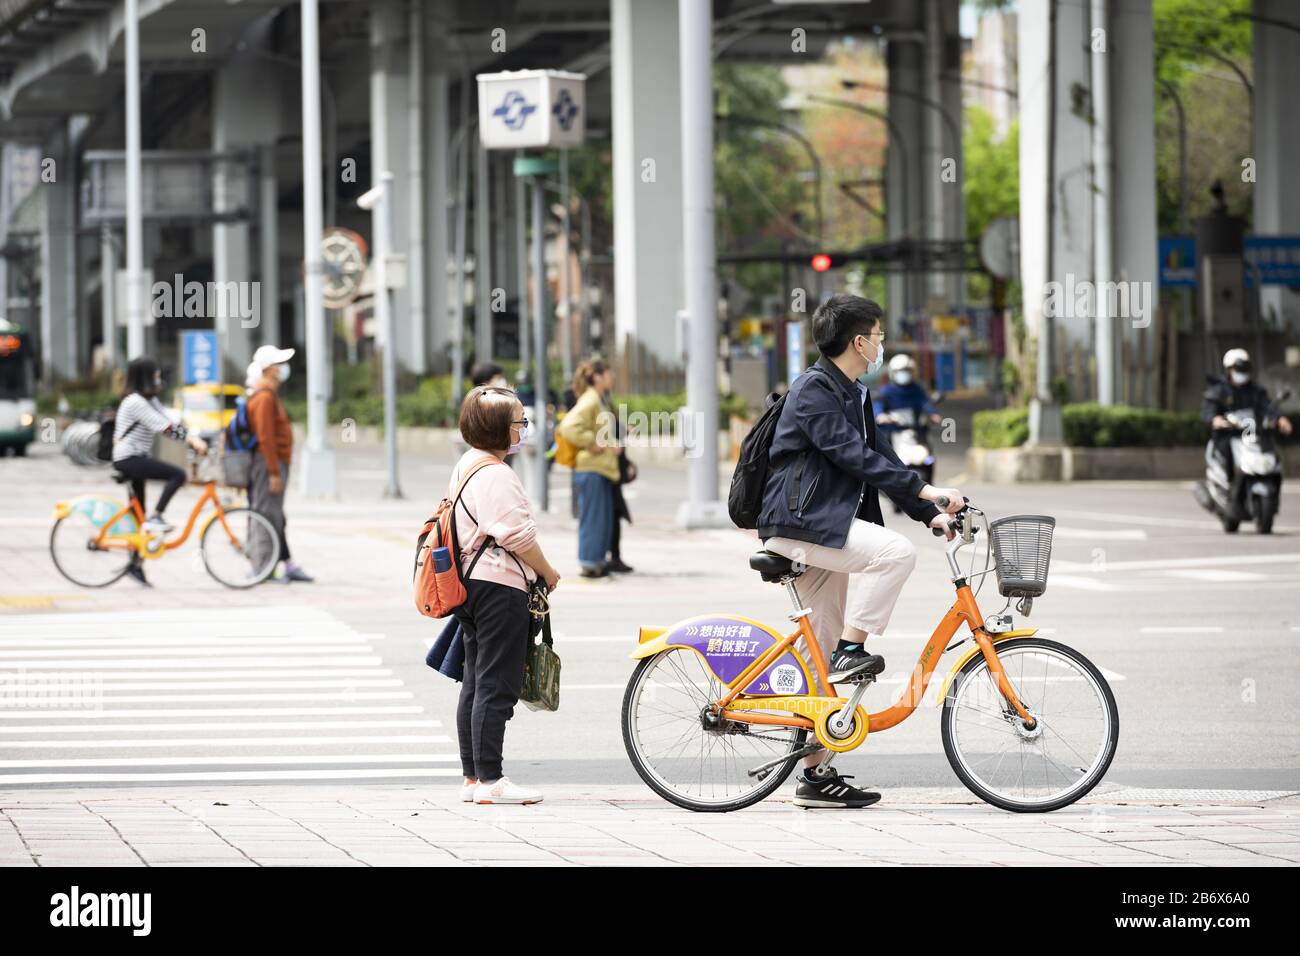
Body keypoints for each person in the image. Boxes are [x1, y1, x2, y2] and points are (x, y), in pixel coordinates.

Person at [758, 294, 964, 809]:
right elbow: (851, 457)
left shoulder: (855, 392)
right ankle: (853, 651)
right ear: (858, 342)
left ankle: (814, 774)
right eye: (878, 333)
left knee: (816, 658)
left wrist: (928, 512)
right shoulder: (813, 391)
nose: (882, 341)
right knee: (895, 554)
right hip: (799, 523)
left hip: (825, 527)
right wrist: (927, 491)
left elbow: (881, 458)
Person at [452, 385, 561, 805]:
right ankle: (491, 780)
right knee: (496, 684)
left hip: (472, 583)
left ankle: (473, 778)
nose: (525, 429)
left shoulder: (468, 464)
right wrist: (548, 572)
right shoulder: (496, 474)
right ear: (501, 428)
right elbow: (516, 536)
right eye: (520, 422)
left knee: (477, 681)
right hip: (498, 587)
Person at [112, 356, 208, 585]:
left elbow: (169, 418)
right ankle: (157, 516)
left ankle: (135, 565)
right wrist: (191, 440)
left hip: (137, 457)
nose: (158, 378)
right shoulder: (135, 402)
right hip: (128, 458)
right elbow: (163, 427)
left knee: (138, 516)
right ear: (145, 376)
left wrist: (195, 434)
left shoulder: (149, 399)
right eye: (154, 374)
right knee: (178, 475)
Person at [246, 344, 313, 583]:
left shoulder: (267, 395)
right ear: (269, 369)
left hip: (271, 464)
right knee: (266, 515)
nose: (283, 368)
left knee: (272, 515)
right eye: (278, 364)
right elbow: (265, 438)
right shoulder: (264, 397)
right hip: (268, 465)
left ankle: (269, 565)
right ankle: (262, 569)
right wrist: (274, 472)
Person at [556, 359, 620, 578]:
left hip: (599, 468)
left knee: (601, 518)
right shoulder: (591, 399)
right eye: (608, 374)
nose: (612, 378)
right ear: (597, 377)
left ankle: (596, 562)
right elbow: (568, 426)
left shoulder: (599, 399)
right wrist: (593, 443)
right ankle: (589, 563)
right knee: (593, 518)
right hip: (591, 468)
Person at [1202, 348, 1293, 475]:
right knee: (1226, 457)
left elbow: (1268, 407)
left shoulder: (1256, 391)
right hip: (1229, 436)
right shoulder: (1219, 391)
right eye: (1238, 369)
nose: (1242, 373)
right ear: (1229, 370)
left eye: (1245, 369)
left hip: (1252, 437)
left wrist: (1280, 418)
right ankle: (1230, 484)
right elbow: (1208, 411)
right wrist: (1215, 419)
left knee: (1271, 455)